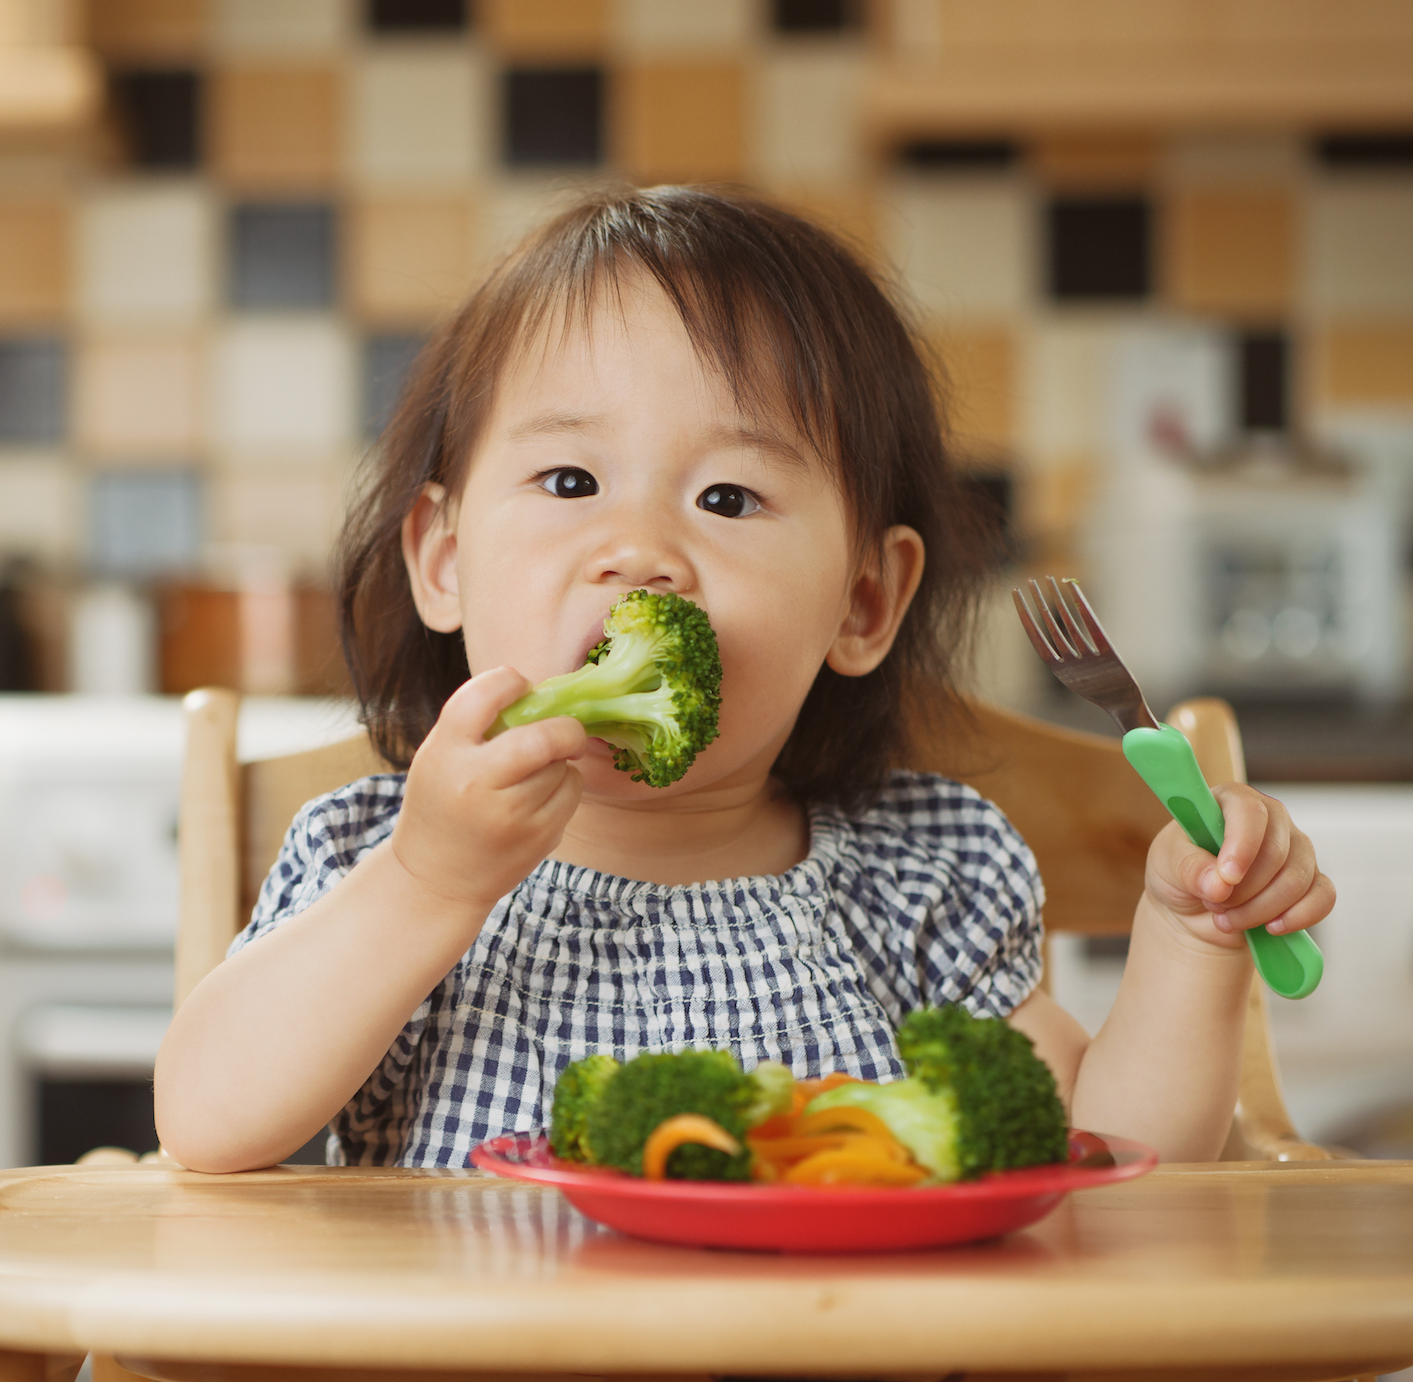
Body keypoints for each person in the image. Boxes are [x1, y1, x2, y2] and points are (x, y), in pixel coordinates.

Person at [154, 187, 1333, 1173]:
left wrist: (1187, 941)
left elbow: (1104, 1166)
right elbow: (204, 1123)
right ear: (445, 560)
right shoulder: (372, 855)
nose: (640, 549)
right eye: (569, 482)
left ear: (863, 601)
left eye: (727, 497)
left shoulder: (916, 880)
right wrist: (426, 881)